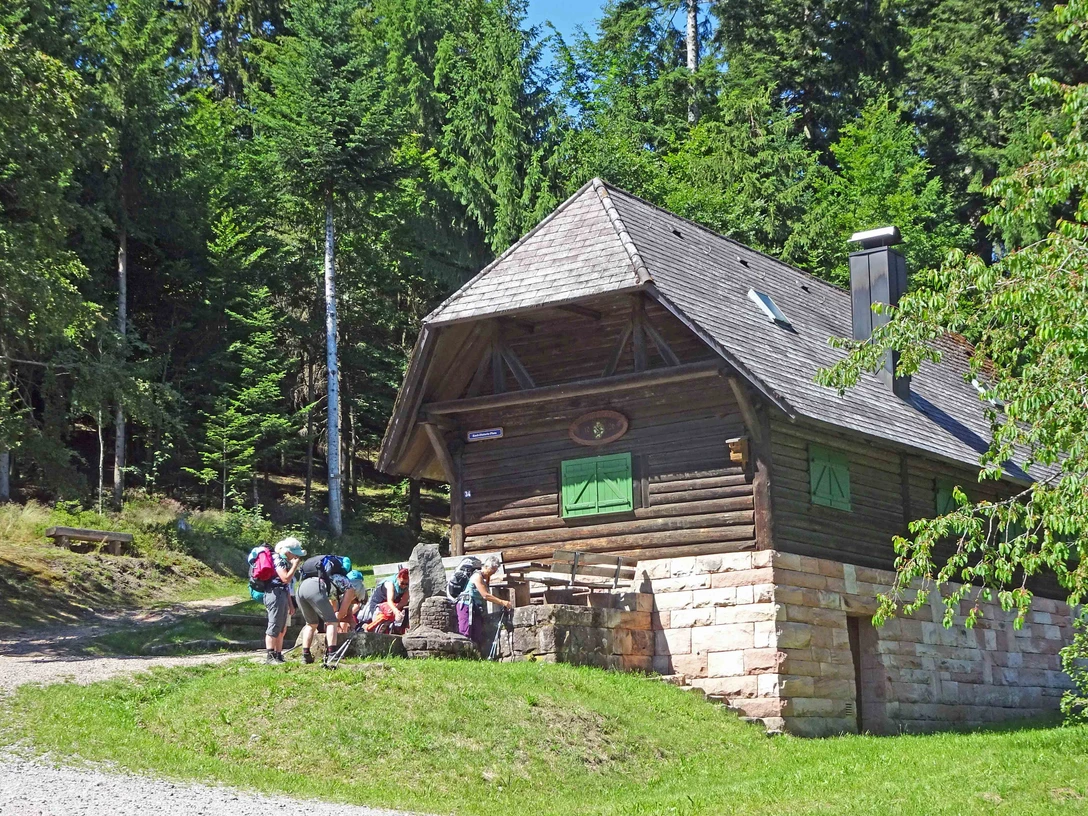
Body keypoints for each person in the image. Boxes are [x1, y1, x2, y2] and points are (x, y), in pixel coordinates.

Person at [297, 554, 352, 668]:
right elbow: (349, 594)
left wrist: (334, 612)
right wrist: (340, 613)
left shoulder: (323, 575)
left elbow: (331, 599)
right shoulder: (340, 578)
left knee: (311, 623)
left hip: (301, 588)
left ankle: (305, 655)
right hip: (315, 587)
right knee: (331, 621)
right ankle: (333, 653)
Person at [263, 537, 305, 664]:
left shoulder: (284, 561)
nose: (296, 556)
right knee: (274, 625)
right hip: (274, 594)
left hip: (281, 594)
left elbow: (285, 586)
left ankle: (278, 655)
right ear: (288, 551)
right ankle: (270, 656)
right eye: (295, 553)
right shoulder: (278, 560)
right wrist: (295, 566)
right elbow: (285, 578)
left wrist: (290, 604)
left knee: (281, 627)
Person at [456, 555, 511, 649]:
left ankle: (474, 656)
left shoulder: (486, 577)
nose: (493, 572)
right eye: (493, 569)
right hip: (466, 605)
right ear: (486, 567)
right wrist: (502, 602)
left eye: (495, 570)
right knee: (465, 631)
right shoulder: (477, 576)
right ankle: (463, 655)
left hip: (476, 607)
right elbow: (485, 595)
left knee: (477, 633)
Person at [362, 568, 410, 633]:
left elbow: (404, 601)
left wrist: (396, 609)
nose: (404, 586)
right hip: (379, 604)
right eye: (402, 583)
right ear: (398, 578)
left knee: (399, 612)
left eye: (406, 584)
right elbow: (390, 601)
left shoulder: (408, 586)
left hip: (393, 605)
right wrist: (395, 611)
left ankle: (397, 630)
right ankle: (369, 627)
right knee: (386, 614)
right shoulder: (390, 583)